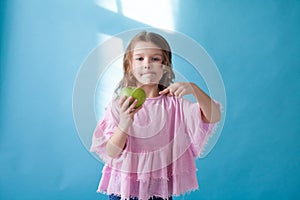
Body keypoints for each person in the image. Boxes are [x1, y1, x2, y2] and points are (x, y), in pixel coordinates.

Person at [90, 31, 221, 200]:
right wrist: (124, 123)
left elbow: (214, 116)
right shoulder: (120, 105)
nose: (147, 64)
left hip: (159, 189)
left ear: (164, 65)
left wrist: (194, 89)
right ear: (129, 65)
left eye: (155, 59)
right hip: (124, 190)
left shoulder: (174, 104)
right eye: (140, 58)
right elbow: (111, 152)